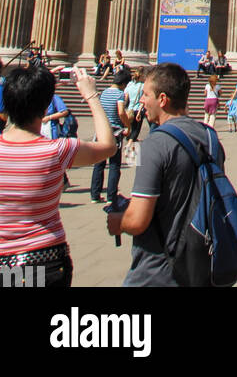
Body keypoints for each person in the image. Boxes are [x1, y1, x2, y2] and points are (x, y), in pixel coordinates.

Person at [105, 63, 232, 286]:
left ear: (162, 99)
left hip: (157, 271)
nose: (141, 101)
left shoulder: (155, 144)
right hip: (201, 263)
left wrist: (118, 221)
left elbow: (137, 221)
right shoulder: (210, 138)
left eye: (145, 95)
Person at [0, 66, 115, 288]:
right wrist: (91, 95)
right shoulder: (57, 150)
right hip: (44, 259)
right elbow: (108, 146)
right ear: (45, 108)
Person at [90, 68, 131, 205]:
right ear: (124, 83)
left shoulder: (104, 93)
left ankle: (95, 195)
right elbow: (121, 112)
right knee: (114, 165)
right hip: (115, 131)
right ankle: (111, 197)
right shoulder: (120, 94)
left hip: (102, 131)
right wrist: (127, 126)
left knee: (99, 164)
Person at [125, 68, 146, 142]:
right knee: (136, 129)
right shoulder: (143, 86)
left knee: (131, 127)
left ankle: (130, 139)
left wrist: (125, 108)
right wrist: (140, 112)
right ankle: (129, 145)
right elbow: (143, 100)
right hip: (138, 109)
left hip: (130, 109)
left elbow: (126, 97)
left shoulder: (130, 84)